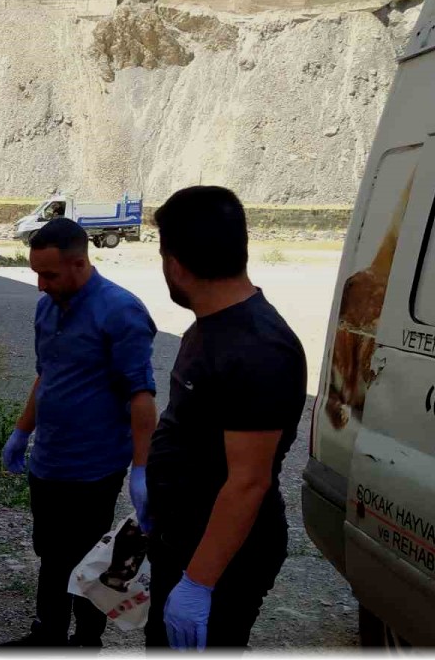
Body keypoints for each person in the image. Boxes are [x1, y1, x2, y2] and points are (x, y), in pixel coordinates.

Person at [144, 186, 307, 651]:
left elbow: (248, 482)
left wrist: (199, 582)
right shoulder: (210, 326)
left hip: (221, 559)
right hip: (183, 537)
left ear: (174, 264)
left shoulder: (259, 348)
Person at [0, 217, 159, 650]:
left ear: (80, 264)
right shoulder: (47, 308)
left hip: (94, 468)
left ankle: (87, 643)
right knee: (51, 554)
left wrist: (141, 468)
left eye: (49, 275)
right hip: (48, 461)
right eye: (36, 274)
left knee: (90, 562)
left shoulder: (120, 312)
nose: (40, 285)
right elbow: (46, 376)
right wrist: (21, 432)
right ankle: (48, 635)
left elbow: (141, 396)